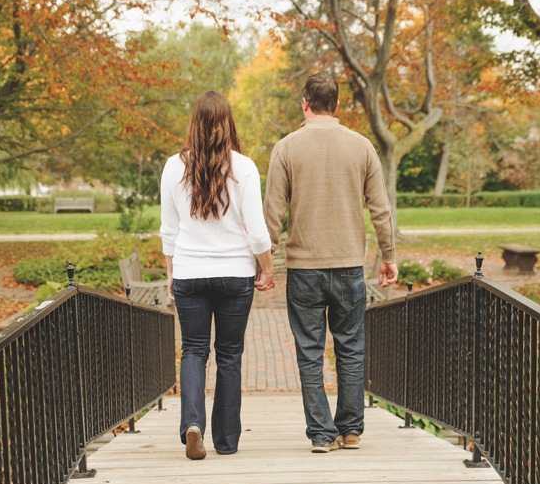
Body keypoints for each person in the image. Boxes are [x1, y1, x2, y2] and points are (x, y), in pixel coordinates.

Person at [264, 67, 397, 453]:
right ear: (336, 105)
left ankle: (322, 435)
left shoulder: (286, 148)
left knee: (310, 351)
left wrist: (265, 262)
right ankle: (351, 429)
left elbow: (272, 213)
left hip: (304, 269)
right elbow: (381, 209)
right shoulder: (362, 146)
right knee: (351, 346)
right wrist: (388, 255)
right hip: (349, 265)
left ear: (304, 104)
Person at [160, 87, 275, 460]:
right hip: (234, 275)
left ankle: (193, 424)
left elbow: (169, 230)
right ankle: (226, 441)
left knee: (193, 350)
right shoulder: (244, 167)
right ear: (228, 123)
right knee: (229, 355)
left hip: (190, 272)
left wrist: (171, 273)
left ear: (194, 122)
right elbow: (256, 230)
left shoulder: (173, 166)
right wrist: (267, 267)